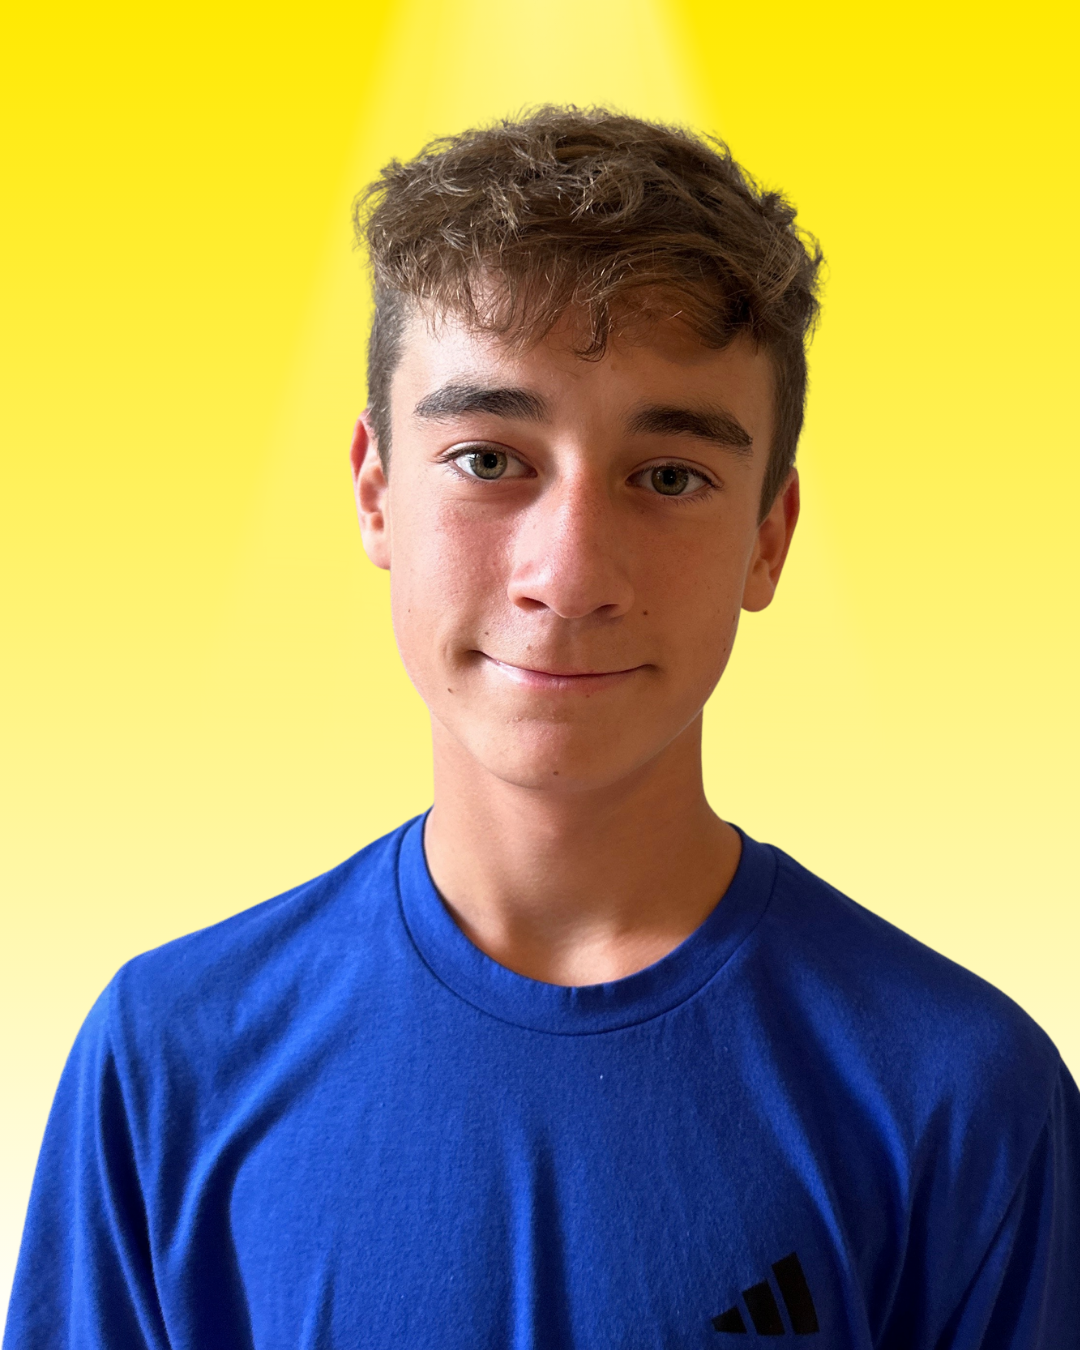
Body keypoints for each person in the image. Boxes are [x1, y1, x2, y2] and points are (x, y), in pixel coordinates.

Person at [5, 107, 1078, 1350]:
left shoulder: (963, 1100)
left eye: (668, 476)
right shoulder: (167, 1064)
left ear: (769, 538)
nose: (567, 577)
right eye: (487, 460)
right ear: (375, 492)